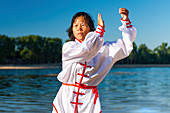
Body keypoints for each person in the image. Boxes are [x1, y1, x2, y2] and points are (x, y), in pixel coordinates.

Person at [52, 8, 137, 113]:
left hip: (89, 101)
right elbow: (86, 50)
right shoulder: (69, 47)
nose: (79, 28)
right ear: (72, 30)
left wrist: (125, 20)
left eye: (83, 25)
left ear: (90, 29)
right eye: (75, 25)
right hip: (65, 99)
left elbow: (125, 45)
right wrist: (100, 31)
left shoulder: (104, 50)